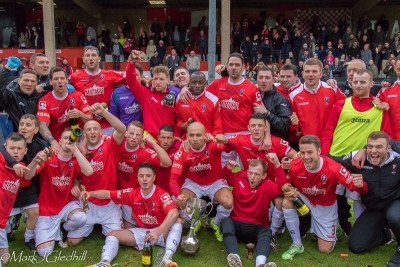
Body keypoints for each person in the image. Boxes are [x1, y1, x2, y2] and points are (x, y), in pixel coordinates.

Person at [280, 135, 367, 260]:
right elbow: (289, 183)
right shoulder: (294, 165)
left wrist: (362, 185)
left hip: (325, 205)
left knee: (324, 250)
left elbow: (357, 188)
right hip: (305, 198)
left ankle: (334, 226)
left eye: (310, 152)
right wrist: (288, 189)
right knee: (287, 202)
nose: (306, 157)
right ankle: (297, 244)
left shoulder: (334, 168)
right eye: (303, 152)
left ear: (319, 151)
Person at [83, 162, 181, 267]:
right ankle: (104, 263)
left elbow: (174, 212)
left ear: (154, 178)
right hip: (145, 234)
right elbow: (108, 194)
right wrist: (90, 193)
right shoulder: (132, 193)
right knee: (112, 234)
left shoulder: (161, 194)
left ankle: (167, 258)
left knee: (178, 221)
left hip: (162, 232)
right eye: (141, 176)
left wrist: (157, 232)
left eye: (148, 176)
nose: (144, 179)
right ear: (137, 178)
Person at [23, 129, 93, 256]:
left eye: (71, 139)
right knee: (44, 252)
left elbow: (89, 172)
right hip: (47, 207)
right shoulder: (49, 157)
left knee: (81, 218)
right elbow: (27, 176)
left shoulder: (75, 159)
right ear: (59, 142)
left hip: (67, 204)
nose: (68, 141)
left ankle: (63, 228)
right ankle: (46, 233)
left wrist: (75, 150)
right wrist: (35, 160)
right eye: (65, 138)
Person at [334, 131, 400, 267]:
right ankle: (386, 235)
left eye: (379, 147)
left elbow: (393, 141)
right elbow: (332, 162)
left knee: (395, 216)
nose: (373, 151)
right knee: (356, 246)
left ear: (388, 148)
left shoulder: (397, 159)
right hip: (374, 208)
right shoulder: (357, 160)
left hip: (395, 203)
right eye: (370, 147)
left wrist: (364, 149)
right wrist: (299, 156)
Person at [67, 103, 126, 246]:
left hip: (109, 202)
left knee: (115, 238)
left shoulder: (109, 144)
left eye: (95, 129)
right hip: (89, 202)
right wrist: (75, 184)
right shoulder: (77, 151)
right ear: (84, 134)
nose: (92, 132)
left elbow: (122, 129)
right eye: (89, 129)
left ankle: (105, 225)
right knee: (72, 242)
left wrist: (104, 112)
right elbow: (74, 176)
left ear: (101, 132)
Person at [171, 122, 233, 242]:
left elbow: (229, 148)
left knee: (228, 202)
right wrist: (178, 196)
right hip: (193, 183)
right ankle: (195, 222)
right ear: (187, 136)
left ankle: (214, 222)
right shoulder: (183, 150)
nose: (194, 139)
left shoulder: (212, 144)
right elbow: (173, 178)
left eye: (198, 135)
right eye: (191, 135)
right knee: (182, 202)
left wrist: (225, 141)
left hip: (215, 181)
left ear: (205, 135)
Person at [222, 158, 284, 267]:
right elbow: (224, 178)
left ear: (264, 176)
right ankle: (236, 260)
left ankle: (260, 264)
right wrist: (227, 169)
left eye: (256, 174)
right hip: (236, 223)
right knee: (226, 222)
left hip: (257, 227)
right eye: (250, 172)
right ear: (247, 171)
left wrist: (278, 166)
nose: (252, 177)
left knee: (266, 232)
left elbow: (282, 187)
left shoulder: (268, 185)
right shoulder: (239, 177)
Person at [206, 53, 264, 166]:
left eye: (237, 65)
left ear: (243, 67)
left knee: (249, 168)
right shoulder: (217, 84)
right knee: (224, 169)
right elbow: (200, 94)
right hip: (224, 135)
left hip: (245, 134)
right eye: (231, 64)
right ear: (227, 66)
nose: (233, 67)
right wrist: (184, 89)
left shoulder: (251, 88)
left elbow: (259, 114)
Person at [1, 115, 49, 250]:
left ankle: (29, 238)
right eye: (21, 124)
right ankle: (8, 231)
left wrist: (37, 161)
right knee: (3, 208)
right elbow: (2, 148)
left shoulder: (42, 146)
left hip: (27, 184)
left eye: (28, 125)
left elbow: (31, 173)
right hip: (6, 183)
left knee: (34, 211)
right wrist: (14, 163)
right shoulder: (11, 141)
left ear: (36, 129)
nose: (23, 127)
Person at [117, 121, 172, 227]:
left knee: (130, 228)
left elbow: (167, 162)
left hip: (132, 196)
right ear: (126, 133)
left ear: (142, 137)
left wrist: (153, 143)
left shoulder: (145, 152)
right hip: (115, 192)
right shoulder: (117, 145)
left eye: (137, 135)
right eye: (131, 133)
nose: (133, 137)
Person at [70, 46, 125, 135]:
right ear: (83, 59)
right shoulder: (75, 77)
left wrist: (145, 80)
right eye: (87, 56)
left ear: (99, 58)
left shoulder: (109, 75)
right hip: (85, 126)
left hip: (106, 126)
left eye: (93, 55)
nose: (91, 58)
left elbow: (131, 79)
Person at [289, 58, 346, 141]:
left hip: (332, 141)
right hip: (309, 144)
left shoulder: (332, 89)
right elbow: (294, 125)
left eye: (314, 71)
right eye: (307, 71)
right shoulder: (294, 96)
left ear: (321, 74)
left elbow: (347, 108)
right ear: (303, 74)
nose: (310, 74)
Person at [37, 67, 92, 152]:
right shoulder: (44, 101)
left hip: (78, 141)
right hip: (57, 143)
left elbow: (90, 119)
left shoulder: (78, 96)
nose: (59, 81)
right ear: (51, 82)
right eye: (56, 79)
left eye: (62, 78)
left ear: (67, 80)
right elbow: (42, 126)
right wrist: (53, 142)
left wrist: (80, 114)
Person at [126, 51, 177, 138]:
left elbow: (178, 120)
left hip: (168, 140)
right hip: (149, 141)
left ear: (168, 81)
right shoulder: (145, 94)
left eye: (161, 79)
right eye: (155, 79)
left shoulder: (175, 95)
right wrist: (131, 63)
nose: (158, 82)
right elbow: (131, 81)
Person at [0, 133, 32, 265]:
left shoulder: (22, 168)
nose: (15, 151)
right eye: (12, 148)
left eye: (19, 149)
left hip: (2, 219)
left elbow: (29, 176)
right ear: (5, 148)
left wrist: (37, 159)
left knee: (5, 259)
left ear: (25, 151)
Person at [175, 71, 223, 138]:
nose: (197, 85)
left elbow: (218, 126)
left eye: (200, 83)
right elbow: (177, 120)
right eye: (194, 82)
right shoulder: (181, 98)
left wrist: (213, 138)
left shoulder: (213, 100)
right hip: (187, 142)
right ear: (189, 83)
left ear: (205, 84)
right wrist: (183, 126)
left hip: (207, 141)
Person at [253, 66, 291, 140]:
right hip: (255, 142)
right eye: (260, 77)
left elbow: (284, 125)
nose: (263, 81)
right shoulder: (252, 95)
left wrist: (267, 113)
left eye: (267, 78)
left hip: (275, 144)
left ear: (274, 80)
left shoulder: (281, 99)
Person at [377, 58, 400, 140]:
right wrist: (379, 104)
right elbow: (374, 106)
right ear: (394, 69)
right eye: (399, 69)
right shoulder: (386, 90)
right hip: (393, 142)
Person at [155, 125, 181, 194]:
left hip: (176, 191)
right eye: (163, 137)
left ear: (173, 138)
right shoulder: (151, 148)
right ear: (158, 137)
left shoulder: (180, 147)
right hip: (157, 192)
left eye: (169, 138)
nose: (166, 141)